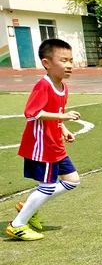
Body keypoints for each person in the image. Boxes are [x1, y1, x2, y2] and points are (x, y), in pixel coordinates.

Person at [7, 39, 81, 241]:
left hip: (55, 144)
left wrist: (64, 128)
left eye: (71, 60)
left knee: (72, 181)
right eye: (63, 60)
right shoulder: (43, 85)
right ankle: (18, 225)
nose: (69, 65)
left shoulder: (63, 88)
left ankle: (30, 205)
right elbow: (31, 113)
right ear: (47, 63)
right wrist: (63, 118)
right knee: (47, 187)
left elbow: (56, 112)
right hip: (42, 146)